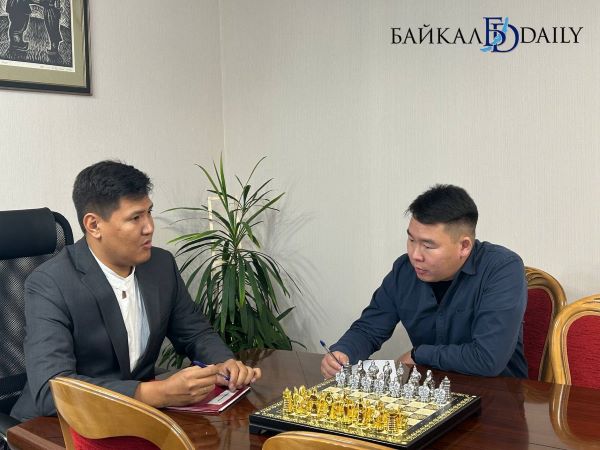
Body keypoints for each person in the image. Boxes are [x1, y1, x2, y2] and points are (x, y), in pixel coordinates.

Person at [11, 161, 261, 421]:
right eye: (135, 217)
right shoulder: (50, 283)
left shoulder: (161, 265)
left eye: (149, 212)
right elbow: (52, 390)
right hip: (59, 424)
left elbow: (195, 332)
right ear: (94, 225)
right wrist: (156, 393)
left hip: (133, 417)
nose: (149, 227)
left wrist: (223, 363)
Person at [321, 184, 527, 379]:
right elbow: (369, 329)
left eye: (428, 246)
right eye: (411, 240)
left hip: (496, 394)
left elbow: (487, 359)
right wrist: (344, 352)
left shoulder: (502, 269)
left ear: (464, 246)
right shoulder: (404, 270)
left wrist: (419, 354)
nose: (415, 255)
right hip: (426, 391)